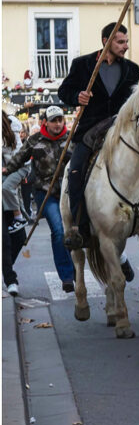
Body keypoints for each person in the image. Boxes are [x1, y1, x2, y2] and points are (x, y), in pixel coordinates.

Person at [58, 22, 139, 250]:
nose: (125, 46)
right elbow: (63, 91)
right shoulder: (82, 64)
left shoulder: (132, 69)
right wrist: (78, 96)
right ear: (106, 41)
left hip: (122, 130)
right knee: (75, 172)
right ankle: (79, 227)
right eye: (120, 42)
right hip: (90, 131)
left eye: (126, 42)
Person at [3, 106, 75, 292]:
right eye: (54, 120)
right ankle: (67, 276)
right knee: (58, 230)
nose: (58, 124)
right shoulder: (35, 140)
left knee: (78, 231)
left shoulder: (72, 139)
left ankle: (118, 260)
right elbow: (19, 157)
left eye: (60, 120)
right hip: (46, 192)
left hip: (70, 192)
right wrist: (7, 170)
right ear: (45, 122)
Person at [2, 112, 27, 295]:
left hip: (9, 190)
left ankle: (6, 267)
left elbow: (19, 156)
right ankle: (10, 279)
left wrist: (10, 170)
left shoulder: (11, 125)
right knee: (4, 240)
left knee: (19, 237)